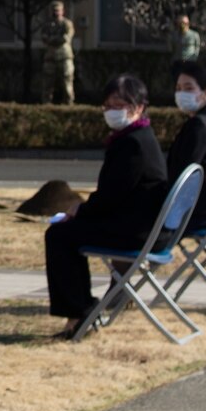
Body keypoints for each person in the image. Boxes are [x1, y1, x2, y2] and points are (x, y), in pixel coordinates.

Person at [45, 73, 169, 333]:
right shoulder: (140, 137)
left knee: (59, 235)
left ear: (138, 108)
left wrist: (79, 211)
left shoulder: (132, 144)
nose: (112, 112)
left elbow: (111, 197)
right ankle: (81, 309)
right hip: (143, 227)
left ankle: (78, 314)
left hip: (135, 232)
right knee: (67, 233)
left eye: (119, 106)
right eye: (108, 106)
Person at [167, 60, 206, 229]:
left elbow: (182, 172)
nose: (181, 94)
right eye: (178, 88)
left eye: (188, 88)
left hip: (199, 212)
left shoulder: (200, 125)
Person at [41, 0, 76, 104]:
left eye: (58, 10)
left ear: (62, 11)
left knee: (67, 83)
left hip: (64, 57)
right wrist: (54, 39)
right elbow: (44, 38)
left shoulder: (67, 24)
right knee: (48, 83)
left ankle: (69, 104)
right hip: (50, 58)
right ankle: (46, 104)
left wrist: (53, 39)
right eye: (53, 10)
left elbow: (65, 38)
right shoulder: (47, 25)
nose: (55, 13)